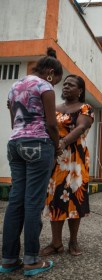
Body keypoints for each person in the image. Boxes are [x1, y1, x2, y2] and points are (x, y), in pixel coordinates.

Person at [0, 48, 63, 277]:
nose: (55, 84)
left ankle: (8, 260)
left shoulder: (13, 88)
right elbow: (52, 124)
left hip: (15, 144)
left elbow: (13, 121)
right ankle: (31, 261)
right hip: (38, 144)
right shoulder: (44, 87)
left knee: (16, 201)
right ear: (50, 72)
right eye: (56, 79)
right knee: (33, 203)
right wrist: (56, 145)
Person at [41, 74, 94, 257]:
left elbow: (80, 128)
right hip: (55, 161)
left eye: (71, 85)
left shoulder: (85, 108)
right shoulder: (54, 108)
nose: (66, 86)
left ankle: (73, 241)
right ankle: (56, 243)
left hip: (76, 162)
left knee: (75, 200)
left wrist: (62, 143)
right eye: (64, 84)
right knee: (56, 200)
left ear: (80, 91)